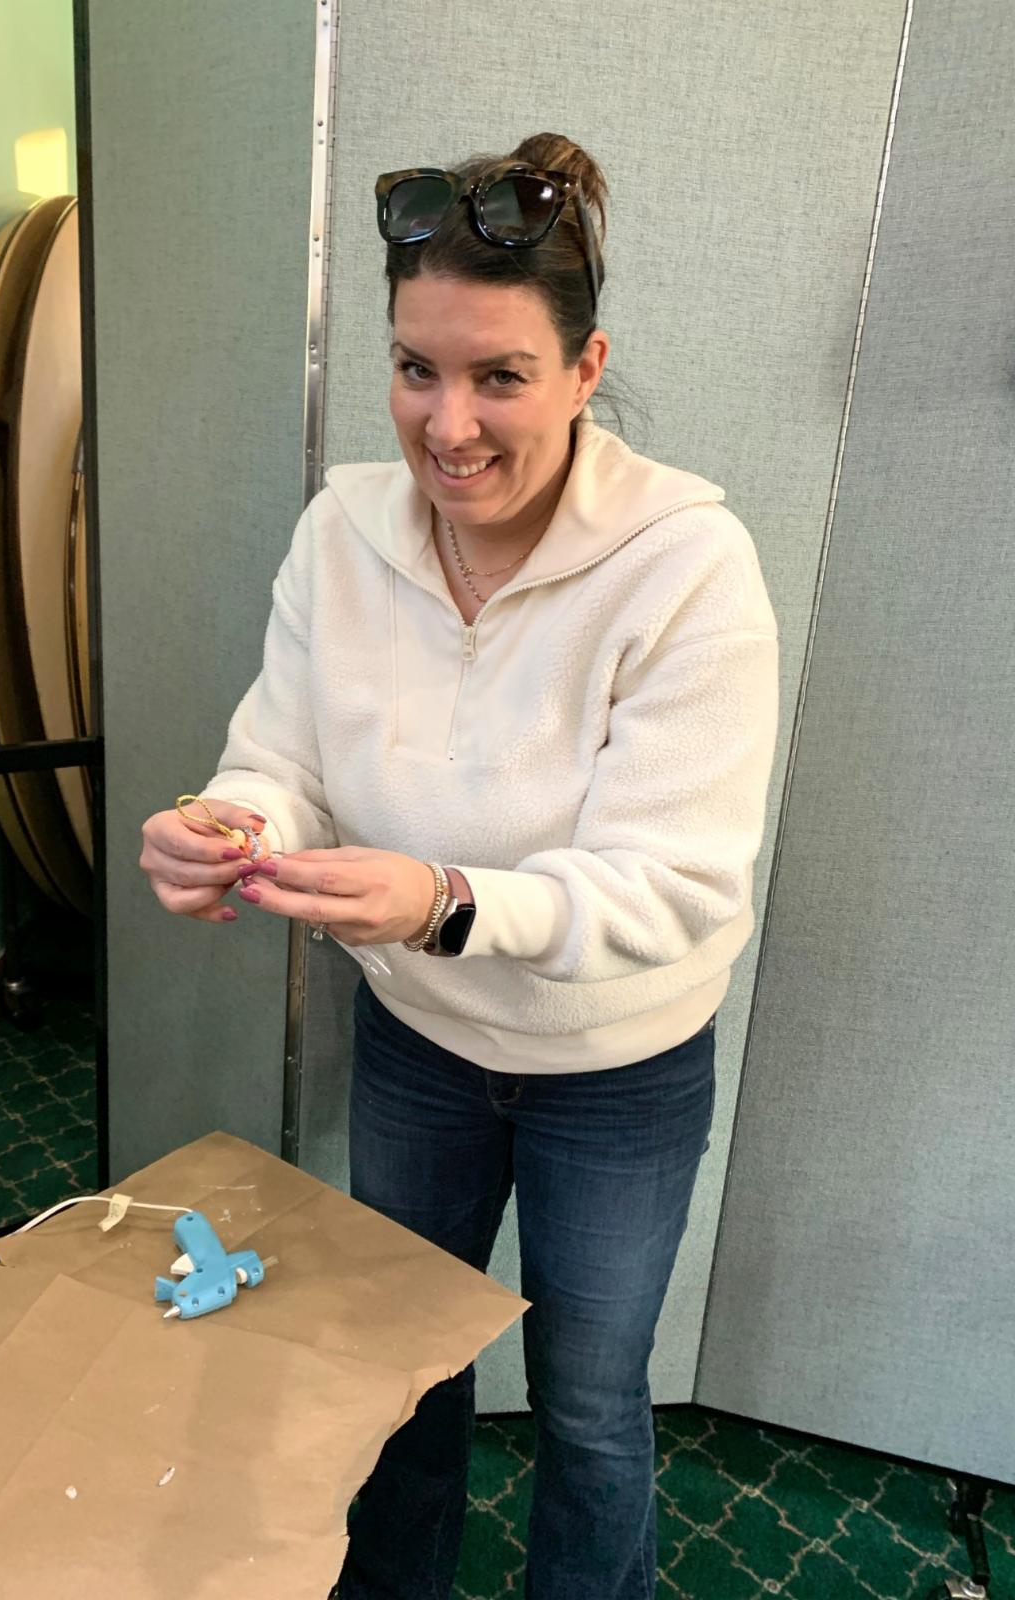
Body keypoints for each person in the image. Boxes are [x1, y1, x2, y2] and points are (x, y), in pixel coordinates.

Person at [140, 131, 779, 1600]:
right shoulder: (343, 532)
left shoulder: (685, 565)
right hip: (419, 1043)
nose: (450, 425)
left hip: (616, 1067)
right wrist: (231, 825)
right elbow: (283, 759)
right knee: (399, 1371)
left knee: (591, 1406)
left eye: (501, 376)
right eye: (415, 369)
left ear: (586, 367)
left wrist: (444, 901)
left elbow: (676, 882)